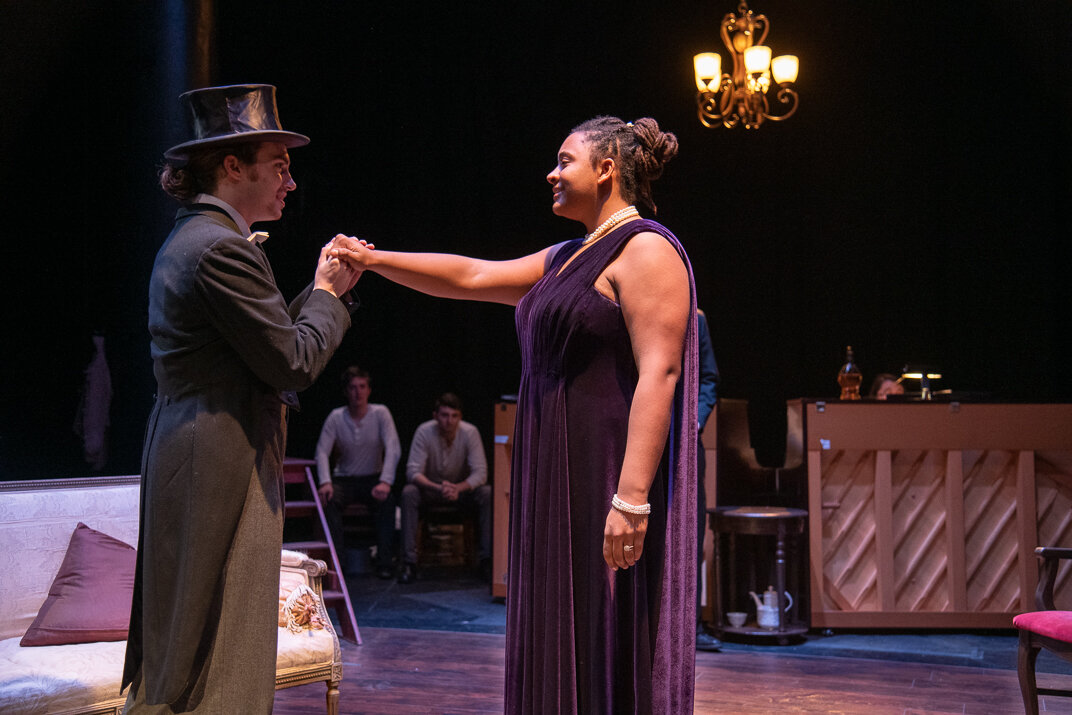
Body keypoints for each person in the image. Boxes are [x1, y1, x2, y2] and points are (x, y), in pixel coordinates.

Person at [334, 115, 697, 713]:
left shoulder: (646, 250)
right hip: (553, 470)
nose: (552, 173)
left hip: (600, 472)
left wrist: (630, 499)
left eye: (565, 160)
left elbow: (661, 374)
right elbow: (472, 274)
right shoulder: (567, 256)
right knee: (557, 612)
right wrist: (372, 261)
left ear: (606, 169)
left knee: (601, 618)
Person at [122, 84, 363, 713]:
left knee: (201, 633)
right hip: (214, 457)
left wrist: (317, 298)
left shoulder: (202, 238)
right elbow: (293, 360)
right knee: (211, 642)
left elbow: (259, 351)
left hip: (202, 445)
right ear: (233, 166)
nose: (289, 182)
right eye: (279, 167)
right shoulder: (218, 248)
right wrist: (328, 295)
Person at [316, 365, 401, 580]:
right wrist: (325, 481)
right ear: (346, 392)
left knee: (387, 501)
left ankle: (384, 562)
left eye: (362, 387)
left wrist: (386, 481)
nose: (358, 392)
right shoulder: (336, 417)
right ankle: (338, 565)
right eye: (353, 388)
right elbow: (322, 451)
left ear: (369, 390)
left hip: (373, 479)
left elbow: (393, 447)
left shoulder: (380, 413)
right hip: (345, 480)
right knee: (328, 499)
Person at [400, 392, 491, 584]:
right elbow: (413, 472)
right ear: (435, 416)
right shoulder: (424, 431)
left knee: (487, 493)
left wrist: (458, 488)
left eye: (454, 416)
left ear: (460, 417)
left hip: (461, 493)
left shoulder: (470, 433)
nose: (449, 421)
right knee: (409, 492)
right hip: (432, 491)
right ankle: (409, 562)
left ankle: (487, 561)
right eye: (444, 415)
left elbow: (480, 473)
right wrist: (438, 487)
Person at [695, 308, 722, 652]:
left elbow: (709, 378)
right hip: (630, 438)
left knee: (689, 532)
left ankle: (691, 626)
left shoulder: (695, 318)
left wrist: (696, 421)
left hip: (684, 442)